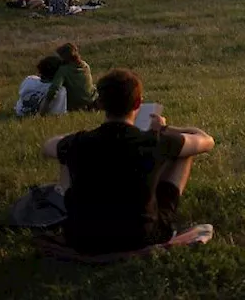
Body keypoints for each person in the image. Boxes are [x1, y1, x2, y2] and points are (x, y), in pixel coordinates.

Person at [42, 69, 215, 254]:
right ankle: (158, 208)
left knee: (66, 155)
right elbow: (205, 140)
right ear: (138, 102)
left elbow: (49, 145)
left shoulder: (80, 142)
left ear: (100, 103)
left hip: (82, 238)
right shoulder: (155, 141)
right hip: (142, 237)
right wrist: (165, 129)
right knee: (184, 152)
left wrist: (84, 135)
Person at [41, 42, 98, 112]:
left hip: (74, 105)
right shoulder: (85, 65)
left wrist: (45, 105)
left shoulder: (64, 70)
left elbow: (55, 88)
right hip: (90, 100)